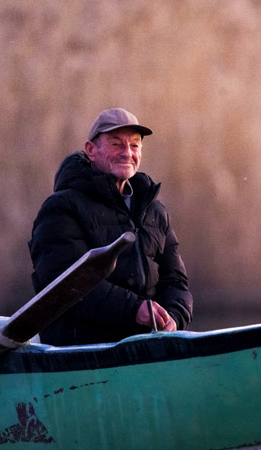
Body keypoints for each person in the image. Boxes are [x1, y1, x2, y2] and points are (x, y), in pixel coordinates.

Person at [28, 108, 193, 345]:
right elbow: (65, 284)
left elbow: (176, 281)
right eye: (116, 144)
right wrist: (135, 309)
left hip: (149, 349)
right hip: (82, 354)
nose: (127, 153)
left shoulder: (155, 211)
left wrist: (174, 318)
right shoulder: (61, 208)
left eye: (134, 146)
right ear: (91, 150)